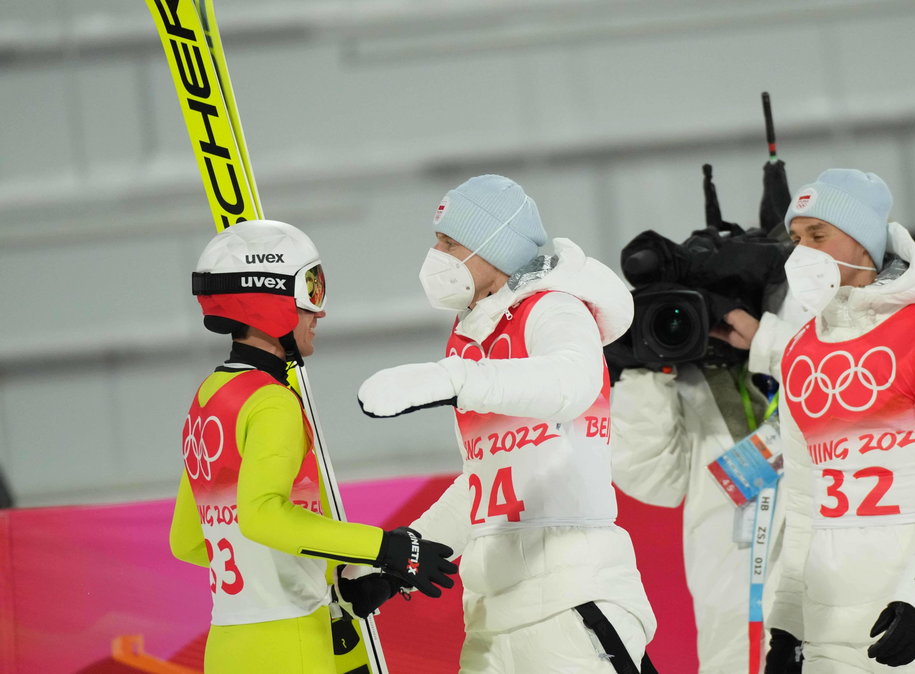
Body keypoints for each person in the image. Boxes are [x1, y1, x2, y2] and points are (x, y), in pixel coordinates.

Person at [356, 175, 657, 673]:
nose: (438, 256)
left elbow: (573, 382)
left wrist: (452, 379)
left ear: (492, 247)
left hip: (571, 601)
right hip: (492, 617)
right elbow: (485, 479)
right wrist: (398, 560)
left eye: (450, 243)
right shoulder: (470, 338)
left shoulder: (555, 308)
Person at [713, 169, 915, 672]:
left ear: (864, 240)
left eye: (818, 235)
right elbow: (805, 503)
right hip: (834, 635)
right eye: (796, 239)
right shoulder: (801, 351)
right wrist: (787, 628)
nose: (803, 252)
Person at [169, 219, 458, 673]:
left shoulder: (208, 398)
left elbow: (187, 540)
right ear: (270, 303)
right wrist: (386, 548)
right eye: (310, 292)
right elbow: (263, 515)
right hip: (295, 644)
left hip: (228, 647)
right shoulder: (272, 403)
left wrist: (326, 579)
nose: (318, 313)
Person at [609, 326, 788, 673]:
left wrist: (767, 340)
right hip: (729, 601)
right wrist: (647, 366)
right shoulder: (676, 377)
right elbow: (654, 479)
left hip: (824, 587)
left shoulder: (816, 357)